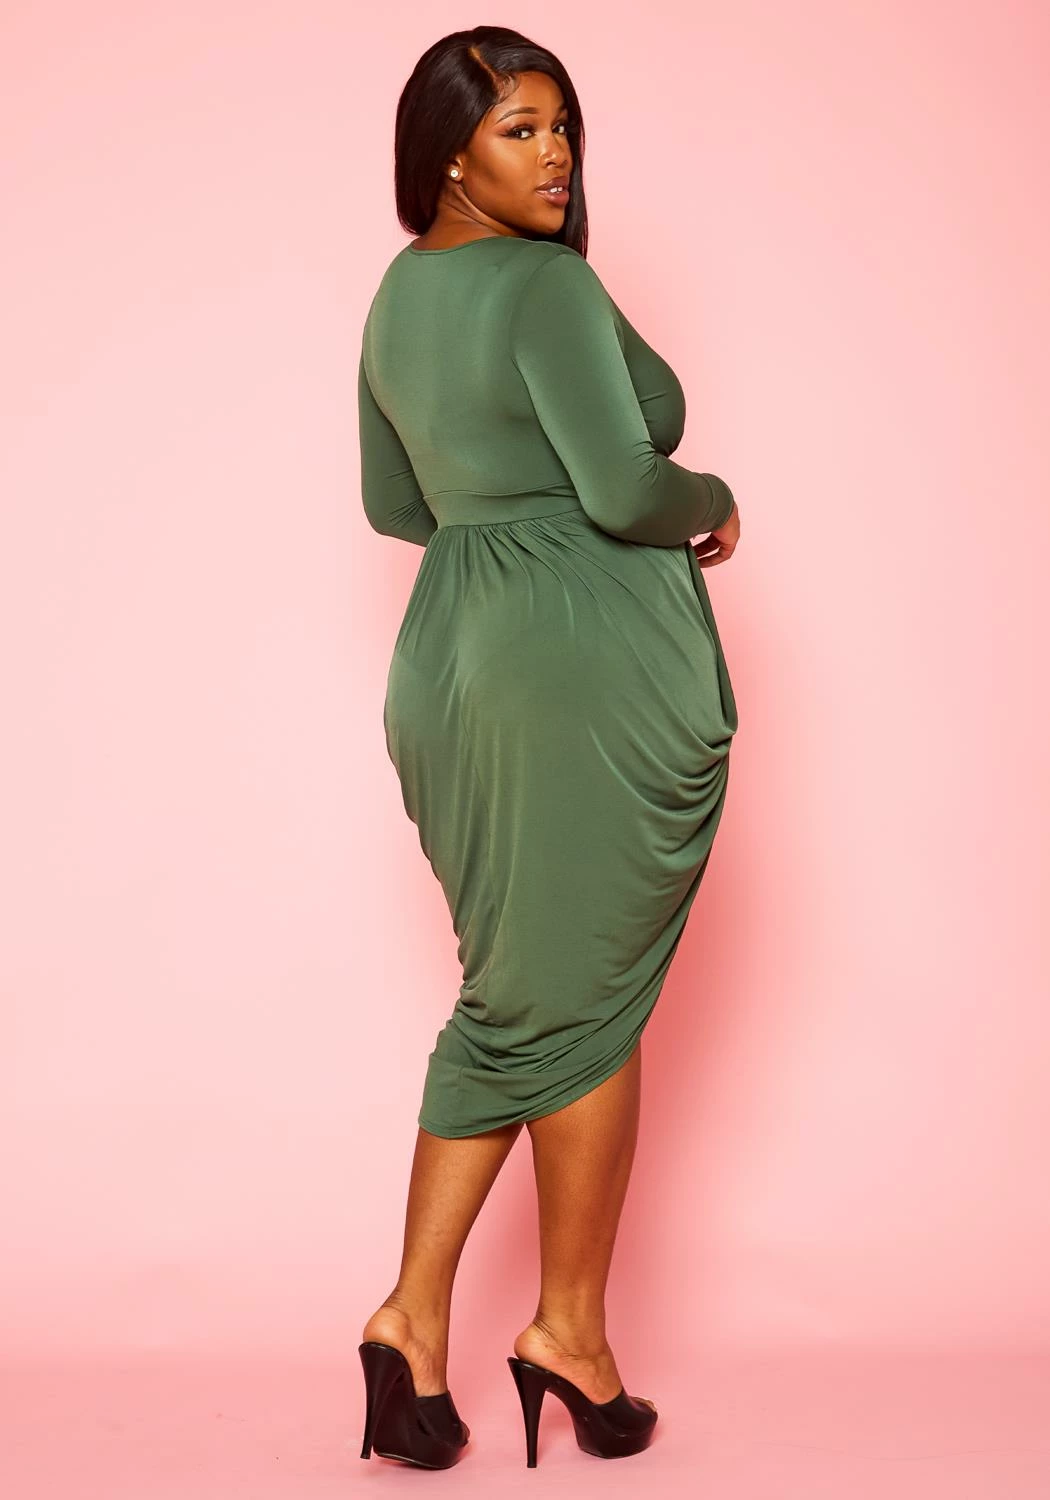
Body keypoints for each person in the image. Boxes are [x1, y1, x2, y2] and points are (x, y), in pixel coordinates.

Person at [355, 25, 741, 1470]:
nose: (555, 153)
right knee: (573, 1007)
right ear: (449, 153)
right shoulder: (545, 284)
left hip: (450, 658)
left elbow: (397, 506)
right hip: (566, 672)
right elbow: (628, 490)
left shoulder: (399, 292)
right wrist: (713, 495)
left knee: (526, 996)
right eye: (518, 128)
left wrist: (492, 512)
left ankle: (426, 1324)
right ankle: (553, 1330)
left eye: (562, 123)